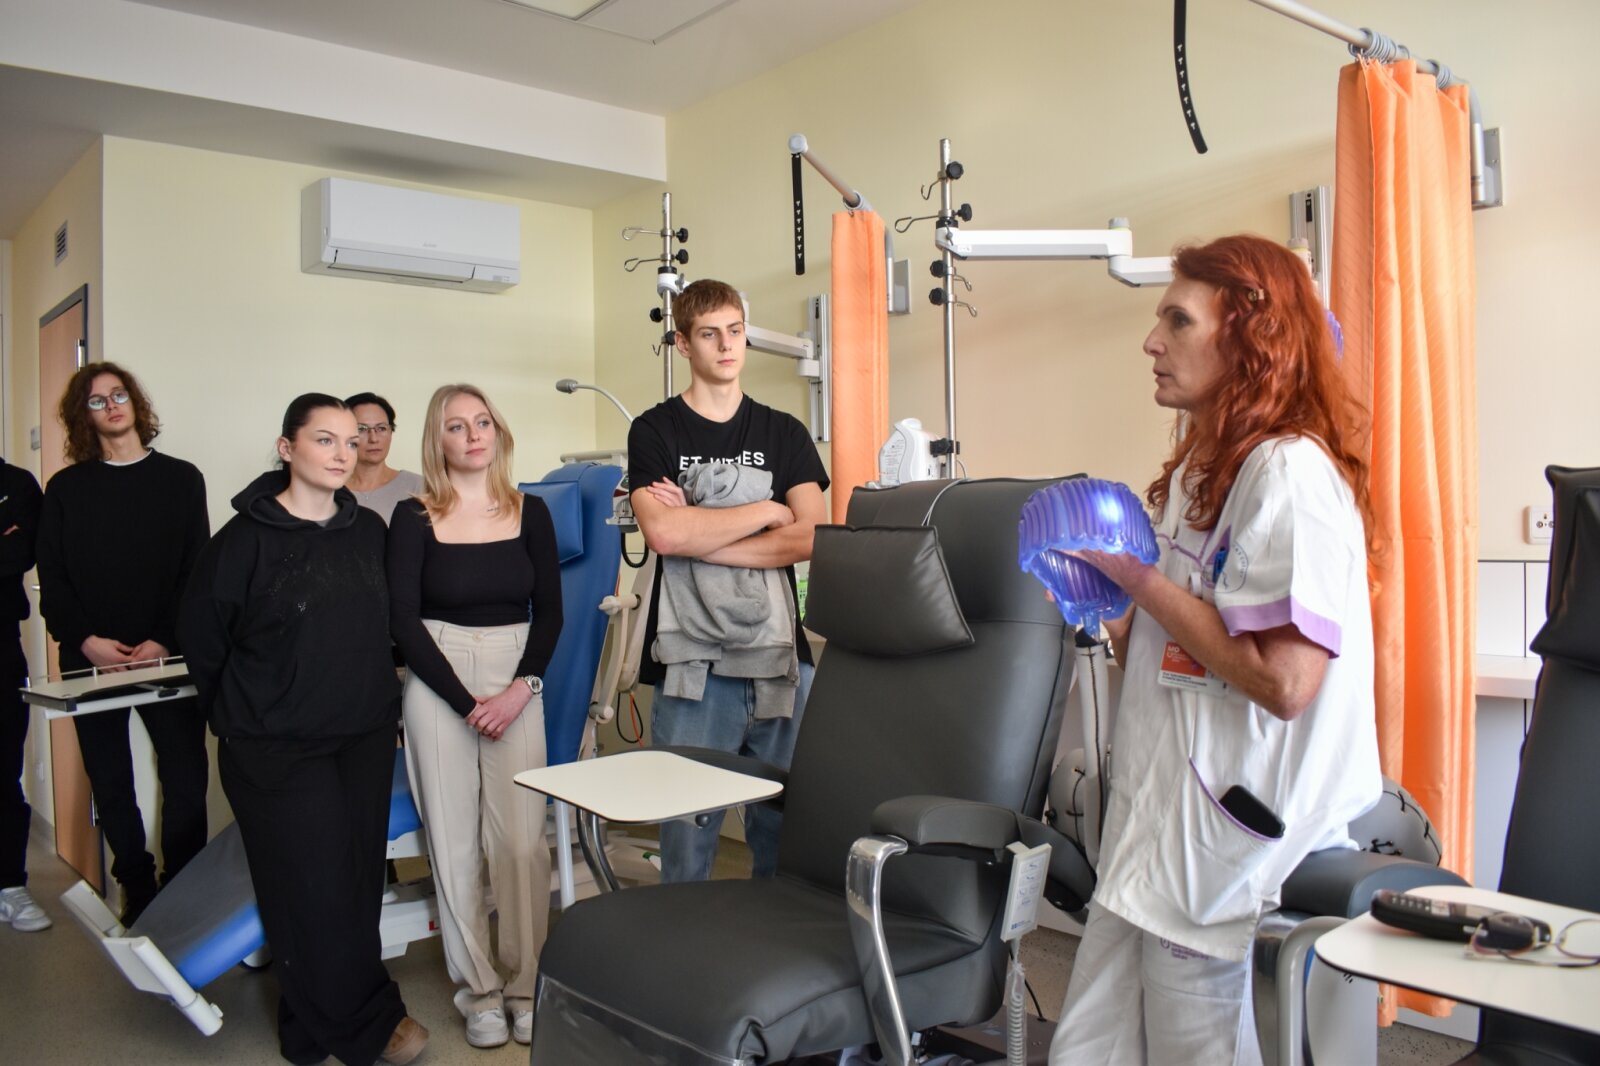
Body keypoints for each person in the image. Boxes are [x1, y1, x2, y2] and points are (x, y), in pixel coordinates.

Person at [1048, 236, 1381, 1066]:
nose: (1152, 342)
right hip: (1157, 832)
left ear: (1248, 337)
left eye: (1178, 321)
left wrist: (1135, 576)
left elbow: (1286, 681)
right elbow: (1176, 653)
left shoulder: (1290, 475)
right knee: (1086, 1047)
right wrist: (1109, 606)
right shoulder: (1206, 472)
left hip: (1229, 843)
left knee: (1192, 1049)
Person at [179, 394, 427, 1066]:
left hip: (362, 736)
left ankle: (306, 1032)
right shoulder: (242, 542)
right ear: (288, 448)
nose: (344, 453)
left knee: (355, 886)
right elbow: (203, 639)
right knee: (312, 888)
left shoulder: (367, 531)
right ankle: (369, 1026)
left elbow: (386, 628)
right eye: (325, 439)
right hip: (276, 747)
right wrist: (240, 717)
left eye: (351, 440)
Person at [627, 278, 828, 883]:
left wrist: (703, 533)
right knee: (688, 838)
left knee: (786, 834)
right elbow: (664, 535)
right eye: (709, 334)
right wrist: (766, 510)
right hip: (693, 665)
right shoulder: (655, 431)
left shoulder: (783, 432)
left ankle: (776, 941)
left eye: (735, 332)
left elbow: (813, 537)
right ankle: (684, 944)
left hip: (779, 658)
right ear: (683, 344)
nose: (726, 345)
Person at [387, 383, 562, 1050]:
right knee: (455, 844)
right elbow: (403, 621)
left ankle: (525, 986)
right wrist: (466, 704)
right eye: (456, 426)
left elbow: (552, 614)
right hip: (439, 676)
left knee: (521, 844)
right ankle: (480, 993)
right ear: (438, 440)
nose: (472, 436)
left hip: (517, 672)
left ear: (498, 430)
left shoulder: (531, 512)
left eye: (482, 422)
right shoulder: (412, 517)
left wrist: (521, 689)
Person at [37, 361, 209, 925]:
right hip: (90, 659)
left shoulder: (182, 479)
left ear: (135, 402)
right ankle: (136, 886)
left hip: (169, 656)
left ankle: (181, 887)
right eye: (96, 400)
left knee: (186, 779)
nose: (111, 405)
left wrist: (163, 639)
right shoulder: (66, 489)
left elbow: (196, 572)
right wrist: (86, 641)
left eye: (118, 395)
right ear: (82, 416)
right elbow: (53, 579)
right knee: (111, 781)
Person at [0, 458, 47, 932]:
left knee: (3, 768)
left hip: (1, 643)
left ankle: (9, 885)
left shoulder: (15, 483)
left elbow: (24, 552)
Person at [344, 392, 424, 525]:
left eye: (381, 428)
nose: (373, 439)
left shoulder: (418, 487)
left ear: (391, 432)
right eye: (361, 429)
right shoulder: (330, 489)